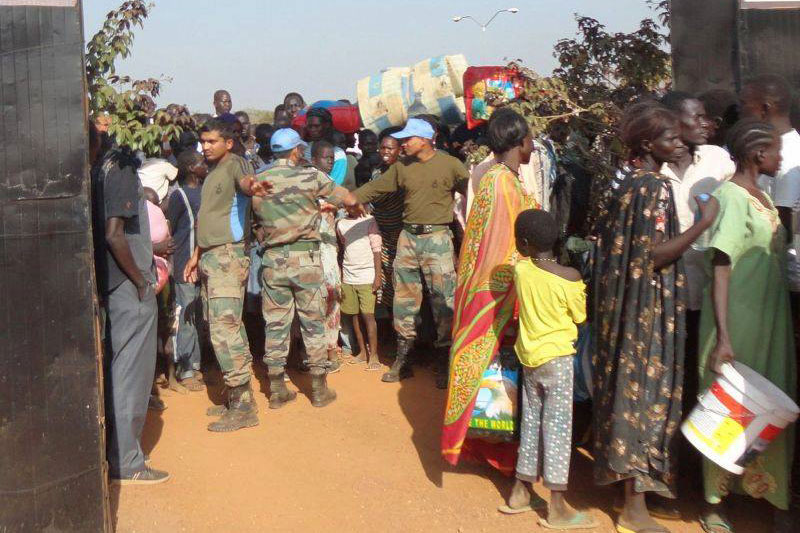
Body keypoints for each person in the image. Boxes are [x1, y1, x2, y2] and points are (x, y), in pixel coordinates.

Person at [590, 102, 718, 533]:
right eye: (670, 137)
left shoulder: (624, 183)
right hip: (646, 309)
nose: (679, 142)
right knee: (644, 395)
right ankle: (634, 508)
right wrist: (703, 223)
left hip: (620, 307)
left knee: (623, 391)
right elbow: (654, 255)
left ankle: (626, 491)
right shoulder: (653, 188)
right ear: (647, 144)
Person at [697, 119, 797, 533]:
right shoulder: (731, 197)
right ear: (758, 155)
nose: (780, 158)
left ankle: (774, 494)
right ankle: (715, 501)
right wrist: (723, 337)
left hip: (769, 317)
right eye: (776, 151)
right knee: (729, 408)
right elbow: (722, 266)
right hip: (736, 320)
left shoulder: (762, 197)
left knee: (771, 403)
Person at [442, 109, 539, 472]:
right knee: (495, 370)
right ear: (518, 141)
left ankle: (497, 447)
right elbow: (499, 247)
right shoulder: (501, 182)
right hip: (498, 292)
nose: (533, 144)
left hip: (500, 291)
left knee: (498, 371)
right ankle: (497, 452)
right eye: (530, 138)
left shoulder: (504, 177)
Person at [352, 118, 469, 386]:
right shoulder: (401, 168)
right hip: (408, 237)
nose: (404, 143)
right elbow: (374, 188)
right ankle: (403, 360)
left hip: (437, 237)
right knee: (403, 302)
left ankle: (444, 360)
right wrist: (348, 198)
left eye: (408, 139)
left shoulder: (451, 165)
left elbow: (471, 195)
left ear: (425, 139)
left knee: (443, 302)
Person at [252, 128, 362, 408]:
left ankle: (276, 389)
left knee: (276, 324)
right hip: (306, 260)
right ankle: (318, 389)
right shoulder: (312, 177)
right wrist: (355, 206)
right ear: (295, 151)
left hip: (273, 260)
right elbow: (347, 198)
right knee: (312, 323)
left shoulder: (259, 179)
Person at [507, 209, 596, 530]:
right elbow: (580, 317)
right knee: (557, 430)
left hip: (529, 360)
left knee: (531, 424)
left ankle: (520, 491)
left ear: (526, 243)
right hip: (557, 360)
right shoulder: (571, 278)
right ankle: (557, 507)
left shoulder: (521, 271)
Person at [90, 124, 168, 484]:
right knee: (130, 373)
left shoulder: (97, 168)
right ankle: (126, 461)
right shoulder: (119, 166)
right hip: (128, 285)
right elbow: (113, 233)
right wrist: (141, 280)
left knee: (120, 367)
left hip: (116, 284)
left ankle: (119, 453)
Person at [659, 91, 736, 447]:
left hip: (708, 293)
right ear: (675, 122)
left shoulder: (719, 161)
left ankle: (700, 456)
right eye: (698, 118)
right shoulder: (651, 170)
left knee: (703, 377)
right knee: (672, 378)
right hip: (666, 294)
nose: (707, 124)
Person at [183, 118, 268, 433]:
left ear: (228, 143)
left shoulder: (236, 165)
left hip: (228, 260)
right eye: (202, 142)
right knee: (226, 327)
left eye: (211, 141)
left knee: (224, 331)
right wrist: (196, 256)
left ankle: (243, 406)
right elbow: (208, 221)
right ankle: (237, 398)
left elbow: (249, 185)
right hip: (211, 258)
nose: (204, 147)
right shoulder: (212, 173)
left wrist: (255, 186)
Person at [167, 150, 208, 392]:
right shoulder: (179, 196)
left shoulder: (205, 192)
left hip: (203, 263)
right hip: (184, 263)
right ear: (192, 168)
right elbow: (171, 228)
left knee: (198, 315)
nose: (205, 166)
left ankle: (196, 362)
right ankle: (186, 369)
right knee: (185, 316)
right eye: (201, 162)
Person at [310, 140, 344, 372]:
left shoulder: (333, 185)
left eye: (332, 157)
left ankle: (331, 350)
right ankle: (313, 353)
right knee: (311, 300)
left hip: (329, 249)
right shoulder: (306, 183)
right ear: (313, 160)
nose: (330, 161)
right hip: (311, 250)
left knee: (333, 296)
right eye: (325, 157)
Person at [337, 209, 383, 371]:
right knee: (354, 315)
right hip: (349, 277)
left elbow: (377, 250)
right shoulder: (341, 224)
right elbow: (343, 248)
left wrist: (378, 276)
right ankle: (363, 352)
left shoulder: (370, 221)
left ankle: (374, 354)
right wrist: (342, 276)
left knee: (368, 316)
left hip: (367, 276)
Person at [368, 127, 405, 312]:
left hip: (401, 234)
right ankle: (390, 326)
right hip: (382, 235)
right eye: (382, 148)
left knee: (403, 280)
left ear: (399, 149)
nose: (385, 152)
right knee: (385, 281)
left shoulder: (405, 172)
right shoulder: (376, 173)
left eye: (390, 148)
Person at [304, 107, 349, 185]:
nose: (312, 130)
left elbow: (334, 186)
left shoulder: (338, 155)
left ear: (327, 125)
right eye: (309, 126)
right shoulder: (304, 149)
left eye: (316, 126)